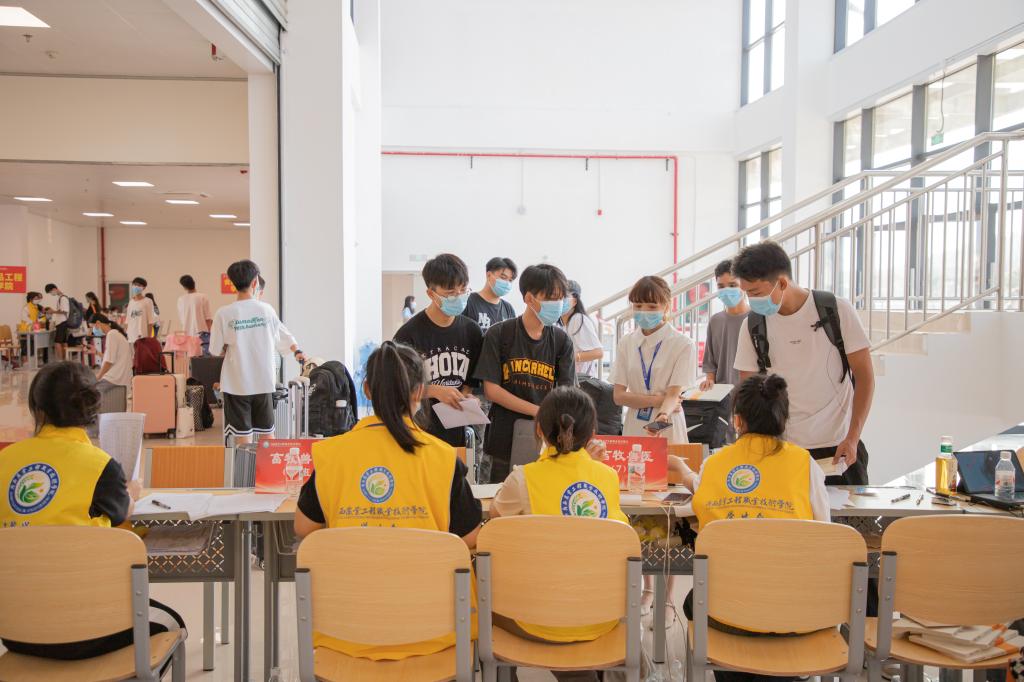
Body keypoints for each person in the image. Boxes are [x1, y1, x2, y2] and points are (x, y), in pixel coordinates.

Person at [294, 341, 482, 661]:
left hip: (347, 633)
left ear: (367, 389)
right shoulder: (442, 457)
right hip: (434, 634)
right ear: (419, 391)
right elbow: (471, 536)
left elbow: (304, 527)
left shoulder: (331, 454)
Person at [0, 362, 185, 660]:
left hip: (17, 633)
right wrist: (131, 492)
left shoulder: (5, 461)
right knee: (172, 624)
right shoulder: (100, 466)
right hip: (93, 630)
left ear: (37, 410)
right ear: (92, 409)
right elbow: (123, 512)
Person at [674, 375, 828, 682]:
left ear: (737, 420)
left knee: (696, 601)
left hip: (726, 611)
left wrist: (680, 469)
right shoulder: (805, 464)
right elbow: (824, 533)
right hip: (790, 613)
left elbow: (698, 495)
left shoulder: (716, 463)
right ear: (784, 419)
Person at [489, 386, 627, 682]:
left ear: (539, 429)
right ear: (592, 435)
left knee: (485, 597)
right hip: (599, 616)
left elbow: (494, 521)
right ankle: (578, 674)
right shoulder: (608, 477)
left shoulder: (523, 479)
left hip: (537, 618)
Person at [731, 241, 874, 485]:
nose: (751, 300)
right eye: (746, 293)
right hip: (782, 450)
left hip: (839, 448)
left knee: (846, 511)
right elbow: (748, 391)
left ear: (782, 283)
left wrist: (853, 437)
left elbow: (865, 377)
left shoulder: (835, 310)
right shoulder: (753, 325)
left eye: (755, 292)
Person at [473, 264, 577, 484]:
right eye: (551, 298)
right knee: (501, 498)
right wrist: (538, 411)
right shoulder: (500, 334)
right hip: (504, 439)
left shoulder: (562, 341)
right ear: (529, 298)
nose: (558, 305)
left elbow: (567, 393)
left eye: (561, 299)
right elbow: (491, 390)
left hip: (547, 440)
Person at [209, 259, 307, 445]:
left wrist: (231, 343)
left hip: (236, 384)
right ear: (255, 282)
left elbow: (214, 350)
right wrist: (297, 351)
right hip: (263, 382)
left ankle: (246, 465)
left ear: (232, 283)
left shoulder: (223, 313)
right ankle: (267, 465)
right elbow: (284, 334)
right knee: (267, 435)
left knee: (243, 438)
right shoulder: (266, 310)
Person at [393, 254, 484, 447]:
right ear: (431, 294)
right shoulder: (408, 334)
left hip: (457, 432)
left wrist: (468, 399)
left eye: (463, 290)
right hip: (419, 432)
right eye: (450, 292)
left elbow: (470, 382)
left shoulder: (472, 331)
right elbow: (397, 386)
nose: (458, 297)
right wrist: (434, 391)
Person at [610, 275, 695, 445]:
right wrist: (656, 400)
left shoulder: (683, 344)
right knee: (635, 461)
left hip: (666, 421)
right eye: (638, 306)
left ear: (666, 307)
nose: (644, 311)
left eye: (652, 306)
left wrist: (662, 415)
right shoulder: (626, 342)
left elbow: (673, 395)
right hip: (634, 423)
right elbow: (618, 396)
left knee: (669, 461)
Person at [700, 259, 749, 391]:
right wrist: (709, 381)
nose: (727, 290)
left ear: (744, 285)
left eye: (733, 285)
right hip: (721, 392)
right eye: (721, 286)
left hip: (751, 392)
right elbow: (710, 363)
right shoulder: (715, 321)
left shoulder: (758, 318)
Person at [559, 280, 603, 377]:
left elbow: (598, 353)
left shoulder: (578, 319)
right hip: (570, 378)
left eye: (564, 297)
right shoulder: (561, 323)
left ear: (574, 301)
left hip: (581, 380)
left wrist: (568, 357)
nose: (559, 301)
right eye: (557, 297)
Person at [463, 256, 518, 331]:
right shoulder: (467, 302)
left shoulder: (508, 309)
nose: (507, 283)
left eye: (510, 280)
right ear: (489, 275)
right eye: (503, 278)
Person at [93, 315, 132, 390]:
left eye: (93, 327)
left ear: (98, 323)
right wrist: (96, 352)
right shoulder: (116, 333)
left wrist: (97, 377)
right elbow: (112, 358)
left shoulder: (111, 334)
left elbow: (109, 361)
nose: (93, 331)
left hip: (114, 379)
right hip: (120, 378)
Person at [177, 274, 213, 354]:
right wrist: (210, 334)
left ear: (184, 287)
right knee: (203, 357)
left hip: (187, 334)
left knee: (190, 358)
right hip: (202, 334)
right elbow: (208, 318)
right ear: (194, 283)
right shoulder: (203, 297)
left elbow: (182, 319)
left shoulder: (181, 300)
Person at [43, 282, 78, 360]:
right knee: (63, 342)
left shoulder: (63, 298)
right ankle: (65, 360)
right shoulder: (61, 298)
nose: (51, 293)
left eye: (50, 292)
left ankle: (61, 361)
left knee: (57, 343)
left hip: (62, 323)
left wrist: (53, 311)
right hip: (63, 323)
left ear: (54, 289)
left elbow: (64, 311)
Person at [124, 277, 156, 344]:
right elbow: (127, 321)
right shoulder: (131, 302)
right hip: (130, 336)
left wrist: (148, 338)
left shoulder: (148, 301)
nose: (136, 287)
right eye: (135, 284)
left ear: (143, 288)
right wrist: (126, 334)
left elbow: (150, 322)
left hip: (142, 335)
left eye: (139, 285)